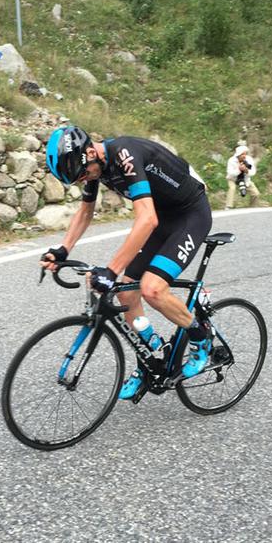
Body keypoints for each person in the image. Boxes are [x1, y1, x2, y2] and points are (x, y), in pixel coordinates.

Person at [40, 126, 213, 400]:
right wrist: (63, 249)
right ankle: (150, 358)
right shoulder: (95, 166)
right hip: (163, 217)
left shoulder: (125, 153)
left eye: (83, 174)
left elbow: (147, 219)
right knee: (127, 292)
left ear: (90, 152)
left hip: (190, 215)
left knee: (152, 289)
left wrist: (111, 270)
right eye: (78, 179)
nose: (84, 179)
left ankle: (200, 338)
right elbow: (85, 212)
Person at [225, 143, 260, 210]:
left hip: (245, 179)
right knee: (232, 188)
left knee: (256, 193)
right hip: (233, 179)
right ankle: (229, 206)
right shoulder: (231, 160)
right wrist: (239, 170)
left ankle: (253, 207)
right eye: (242, 154)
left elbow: (253, 172)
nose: (244, 156)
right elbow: (230, 172)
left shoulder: (249, 160)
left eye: (245, 154)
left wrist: (246, 171)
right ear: (238, 155)